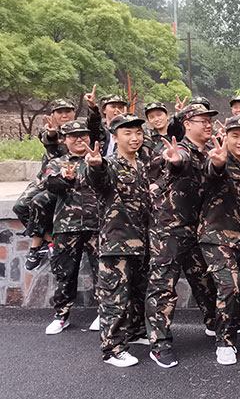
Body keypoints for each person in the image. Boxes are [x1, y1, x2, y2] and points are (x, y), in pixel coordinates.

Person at [145, 104, 219, 368]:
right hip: (170, 229)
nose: (208, 125)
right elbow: (178, 163)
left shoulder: (209, 152)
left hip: (197, 228)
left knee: (205, 281)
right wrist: (175, 161)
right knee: (163, 286)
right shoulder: (180, 149)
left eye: (210, 121)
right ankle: (160, 343)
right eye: (202, 121)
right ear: (187, 124)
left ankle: (214, 325)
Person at [85, 114, 151, 367]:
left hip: (141, 242)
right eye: (127, 133)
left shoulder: (142, 165)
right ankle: (113, 349)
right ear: (115, 137)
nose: (135, 138)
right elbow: (99, 181)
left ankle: (135, 332)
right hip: (117, 242)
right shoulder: (109, 164)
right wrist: (95, 166)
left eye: (138, 133)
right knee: (115, 297)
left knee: (137, 293)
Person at [198, 116, 240, 366]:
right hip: (216, 236)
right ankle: (225, 342)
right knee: (229, 286)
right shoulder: (219, 158)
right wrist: (218, 163)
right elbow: (212, 173)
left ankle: (233, 321)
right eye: (235, 136)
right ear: (226, 137)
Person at [41, 120, 100, 335]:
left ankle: (104, 313)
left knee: (103, 271)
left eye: (83, 135)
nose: (79, 139)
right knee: (65, 273)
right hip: (67, 225)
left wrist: (97, 166)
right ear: (65, 140)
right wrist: (64, 179)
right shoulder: (58, 162)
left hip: (97, 225)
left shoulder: (98, 160)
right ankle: (61, 316)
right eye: (73, 136)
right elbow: (49, 183)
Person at [14, 98, 77, 270]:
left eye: (68, 111)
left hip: (67, 178)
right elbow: (48, 140)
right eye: (59, 112)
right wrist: (52, 133)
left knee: (39, 202)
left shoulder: (80, 130)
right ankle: (48, 239)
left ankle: (36, 246)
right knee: (20, 206)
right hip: (46, 176)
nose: (64, 115)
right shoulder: (48, 129)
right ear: (52, 114)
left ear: (74, 113)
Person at [88, 93, 128, 158]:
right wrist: (93, 107)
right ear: (104, 110)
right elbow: (93, 123)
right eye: (113, 107)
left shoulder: (129, 130)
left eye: (120, 107)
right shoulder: (99, 129)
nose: (117, 110)